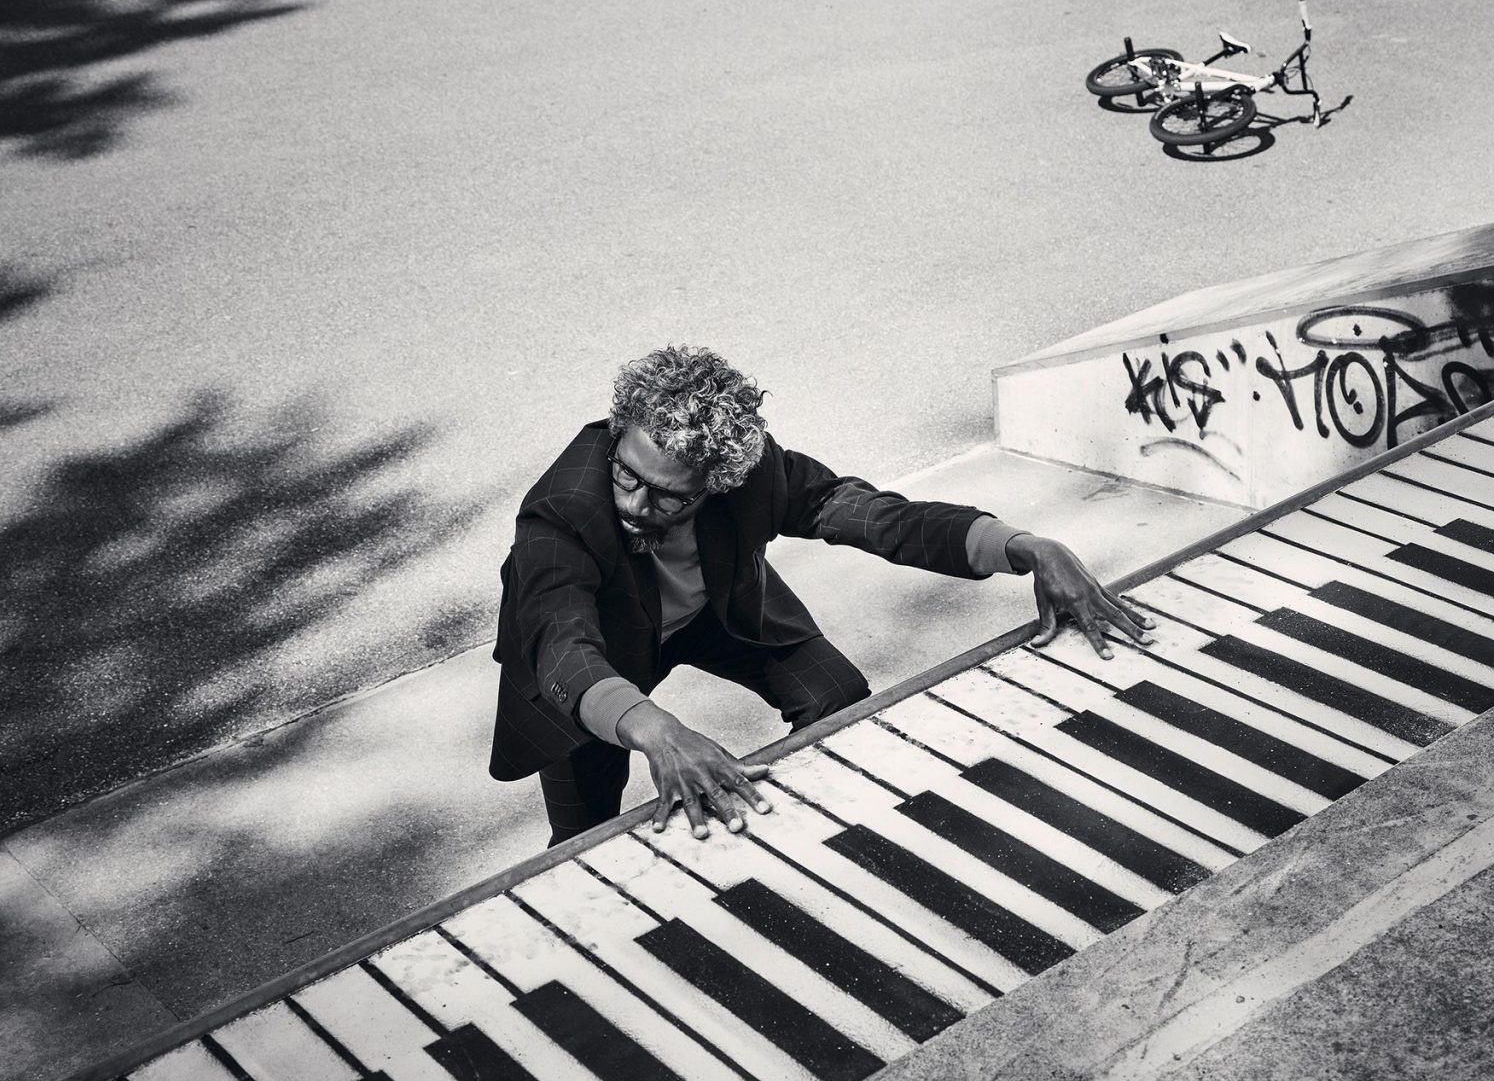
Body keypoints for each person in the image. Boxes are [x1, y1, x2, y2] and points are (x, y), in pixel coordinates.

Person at [492, 343, 1150, 844]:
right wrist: (656, 729)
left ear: (717, 483)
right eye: (627, 475)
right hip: (599, 657)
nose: (635, 504)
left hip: (716, 617)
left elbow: (874, 517)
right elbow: (560, 643)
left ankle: (810, 844)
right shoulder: (562, 512)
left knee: (837, 696)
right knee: (581, 837)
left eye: (669, 496)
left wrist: (1024, 546)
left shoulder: (750, 473)